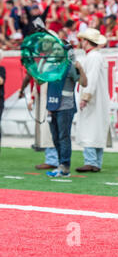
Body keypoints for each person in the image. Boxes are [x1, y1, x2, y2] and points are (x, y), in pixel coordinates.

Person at [46, 41, 88, 177]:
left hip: (65, 106)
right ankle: (61, 164)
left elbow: (84, 83)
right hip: (53, 105)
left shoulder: (70, 67)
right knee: (56, 137)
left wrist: (80, 69)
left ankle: (65, 166)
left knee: (63, 137)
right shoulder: (52, 67)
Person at [75, 28, 110, 173]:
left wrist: (86, 96)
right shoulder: (94, 56)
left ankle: (91, 161)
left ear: (86, 42)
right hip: (97, 98)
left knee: (90, 128)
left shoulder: (93, 56)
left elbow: (92, 77)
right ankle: (96, 162)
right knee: (95, 129)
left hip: (93, 99)